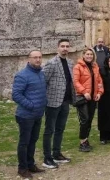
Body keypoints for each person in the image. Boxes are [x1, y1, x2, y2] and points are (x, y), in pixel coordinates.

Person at [12, 50, 47, 179]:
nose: (38, 60)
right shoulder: (22, 75)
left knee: (33, 140)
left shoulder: (41, 74)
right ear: (29, 59)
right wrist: (31, 105)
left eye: (40, 57)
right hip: (25, 116)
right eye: (35, 57)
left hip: (38, 114)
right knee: (24, 142)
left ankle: (30, 164)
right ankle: (22, 168)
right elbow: (16, 95)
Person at [41, 39, 74, 169]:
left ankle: (56, 153)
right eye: (62, 46)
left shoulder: (70, 63)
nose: (65, 48)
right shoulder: (51, 63)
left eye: (67, 46)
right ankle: (47, 158)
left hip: (65, 101)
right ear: (58, 48)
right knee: (49, 130)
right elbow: (43, 81)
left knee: (60, 129)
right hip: (52, 102)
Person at [73, 48, 104, 152]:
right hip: (82, 97)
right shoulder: (78, 67)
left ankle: (86, 140)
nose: (89, 56)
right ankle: (82, 142)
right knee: (85, 119)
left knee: (89, 119)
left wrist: (99, 92)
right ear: (83, 55)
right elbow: (76, 81)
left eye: (91, 54)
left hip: (92, 97)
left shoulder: (95, 66)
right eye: (87, 54)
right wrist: (84, 91)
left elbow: (99, 81)